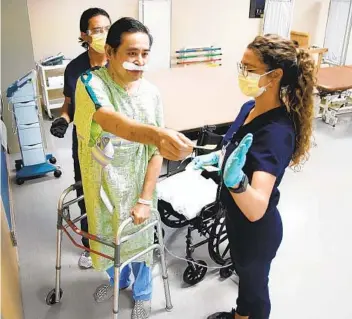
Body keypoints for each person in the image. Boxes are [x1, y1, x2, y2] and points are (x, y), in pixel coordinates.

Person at [74, 17, 192, 319]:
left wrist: (144, 198)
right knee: (107, 240)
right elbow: (112, 121)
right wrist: (158, 133)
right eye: (131, 53)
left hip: (140, 181)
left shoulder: (151, 93)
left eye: (144, 54)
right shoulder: (90, 84)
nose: (139, 61)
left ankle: (142, 295)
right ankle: (118, 281)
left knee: (139, 241)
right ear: (110, 52)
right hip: (102, 180)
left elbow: (155, 151)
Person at [193, 34, 315, 319]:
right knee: (246, 283)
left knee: (255, 289)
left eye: (249, 69)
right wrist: (216, 156)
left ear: (274, 76)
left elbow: (257, 206)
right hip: (236, 222)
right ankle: (239, 315)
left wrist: (236, 180)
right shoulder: (250, 108)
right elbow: (233, 145)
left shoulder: (276, 133)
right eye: (241, 66)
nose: (242, 74)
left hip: (256, 232)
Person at [50, 7, 112, 269]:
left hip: (115, 141)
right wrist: (63, 119)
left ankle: (118, 241)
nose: (103, 34)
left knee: (114, 191)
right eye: (97, 30)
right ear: (84, 35)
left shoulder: (118, 63)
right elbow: (69, 105)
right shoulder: (74, 68)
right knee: (86, 190)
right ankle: (90, 246)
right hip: (85, 141)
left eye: (107, 28)